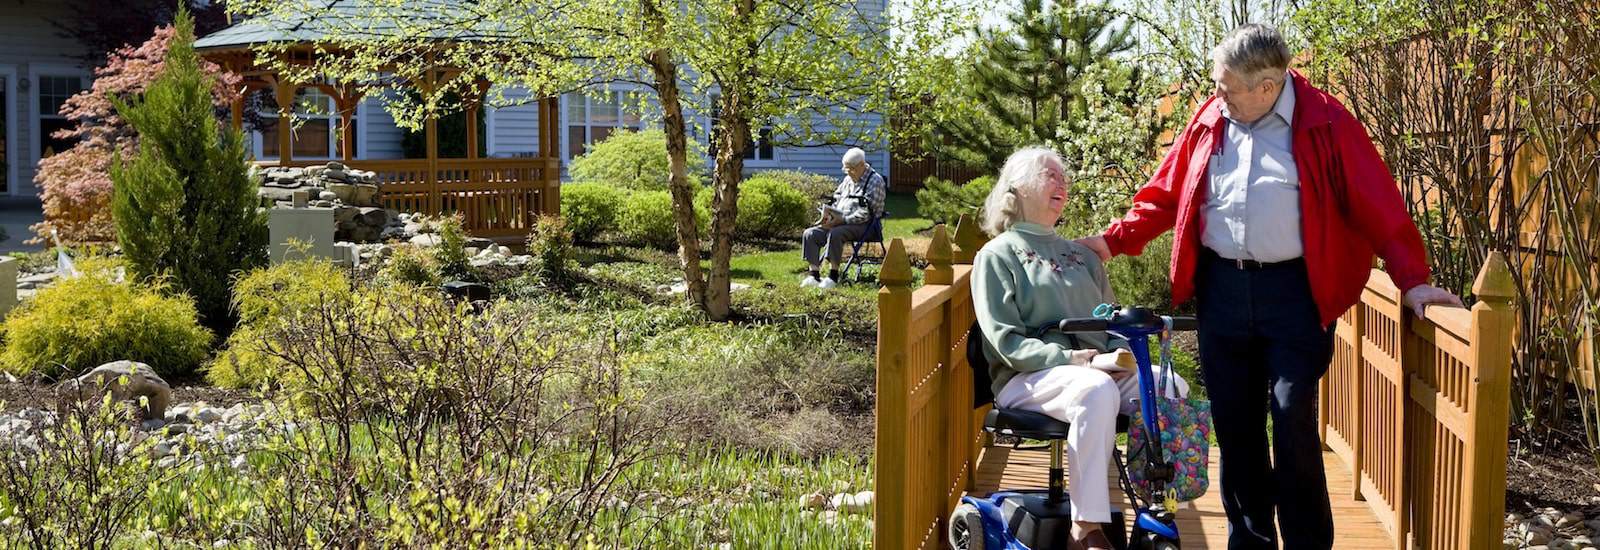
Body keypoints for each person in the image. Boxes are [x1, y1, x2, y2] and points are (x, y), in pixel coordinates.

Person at [1073, 24, 1464, 549]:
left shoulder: (1327, 122)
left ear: (1268, 84)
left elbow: (1380, 205)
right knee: (1236, 430)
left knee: (1291, 418)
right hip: (1223, 291)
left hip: (1295, 295)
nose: (1217, 95)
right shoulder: (1211, 119)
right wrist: (1112, 240)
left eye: (1226, 86)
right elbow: (1167, 192)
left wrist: (1412, 282)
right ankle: (1250, 542)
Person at [973, 147, 1189, 550]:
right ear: (1017, 189)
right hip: (1029, 376)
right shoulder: (997, 255)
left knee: (1169, 386)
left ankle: (1156, 504)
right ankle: (1086, 528)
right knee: (1095, 389)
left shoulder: (1081, 256)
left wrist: (1122, 352)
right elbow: (1005, 341)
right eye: (1050, 175)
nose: (1062, 182)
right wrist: (1077, 359)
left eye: (1063, 176)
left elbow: (1109, 324)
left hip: (1095, 368)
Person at [800, 147, 885, 289]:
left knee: (836, 233)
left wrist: (843, 220)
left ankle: (833, 276)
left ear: (862, 165)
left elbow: (867, 213)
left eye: (851, 169)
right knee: (810, 234)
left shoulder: (875, 181)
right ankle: (813, 275)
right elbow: (836, 199)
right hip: (840, 222)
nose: (848, 172)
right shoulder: (847, 180)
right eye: (846, 169)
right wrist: (828, 215)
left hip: (865, 226)